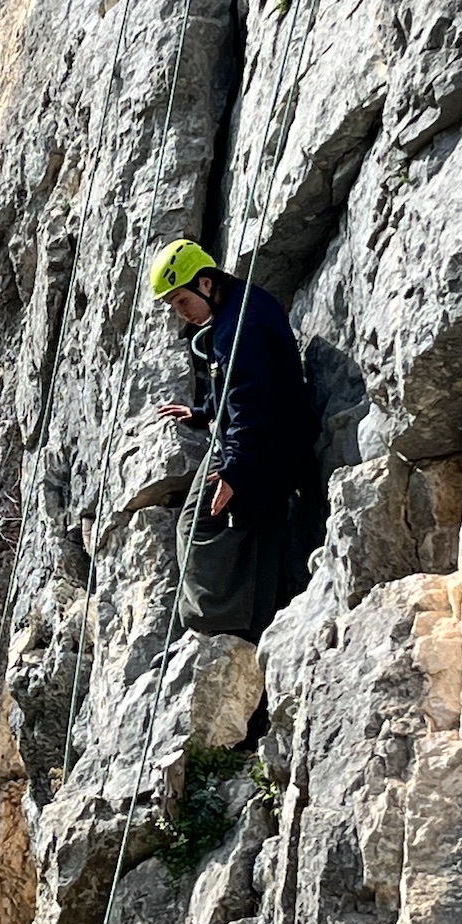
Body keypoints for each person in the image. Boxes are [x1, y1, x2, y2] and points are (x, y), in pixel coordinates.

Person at [152, 238, 312, 643]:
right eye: (173, 306)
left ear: (205, 283)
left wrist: (234, 470)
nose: (182, 313)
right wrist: (203, 411)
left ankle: (217, 628)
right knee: (251, 527)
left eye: (181, 301)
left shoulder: (239, 326)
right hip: (259, 441)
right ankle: (245, 626)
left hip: (261, 446)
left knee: (200, 525)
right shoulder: (237, 311)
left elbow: (250, 401)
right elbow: (237, 387)